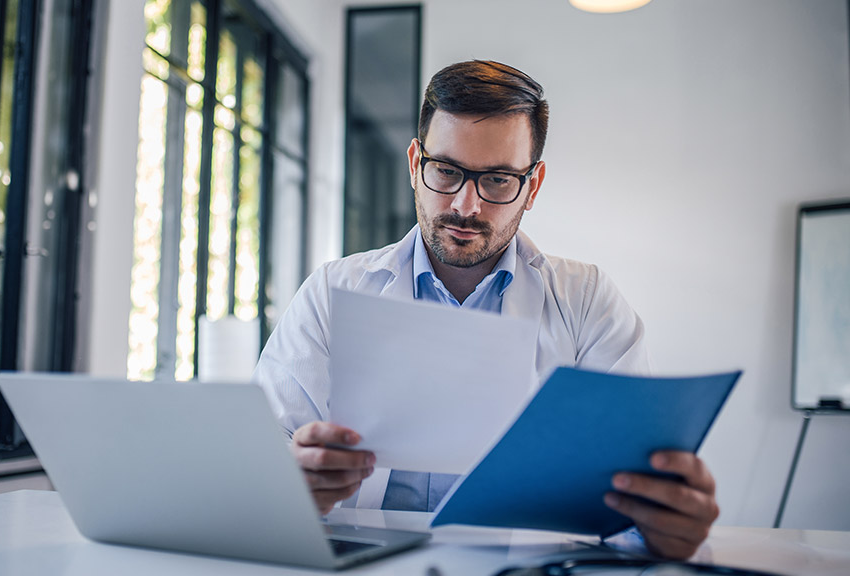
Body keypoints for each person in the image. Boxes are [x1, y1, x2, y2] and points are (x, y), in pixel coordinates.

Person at [251, 60, 719, 560]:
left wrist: (660, 524)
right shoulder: (331, 292)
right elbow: (258, 463)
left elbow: (626, 498)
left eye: (497, 180)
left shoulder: (588, 303)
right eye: (447, 172)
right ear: (415, 164)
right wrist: (288, 480)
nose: (466, 206)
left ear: (532, 186)